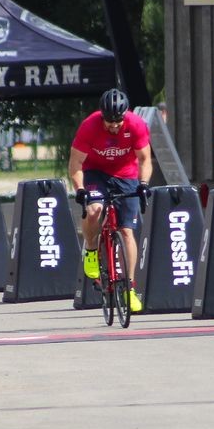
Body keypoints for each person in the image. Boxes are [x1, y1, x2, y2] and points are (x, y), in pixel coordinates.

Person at [69, 88, 152, 314]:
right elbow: (75, 163)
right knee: (95, 210)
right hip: (96, 172)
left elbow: (145, 159)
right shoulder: (89, 126)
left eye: (118, 121)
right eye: (109, 122)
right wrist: (81, 189)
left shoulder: (136, 125)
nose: (114, 126)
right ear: (102, 115)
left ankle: (129, 288)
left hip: (126, 175)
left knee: (127, 231)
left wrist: (143, 184)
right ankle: (91, 250)